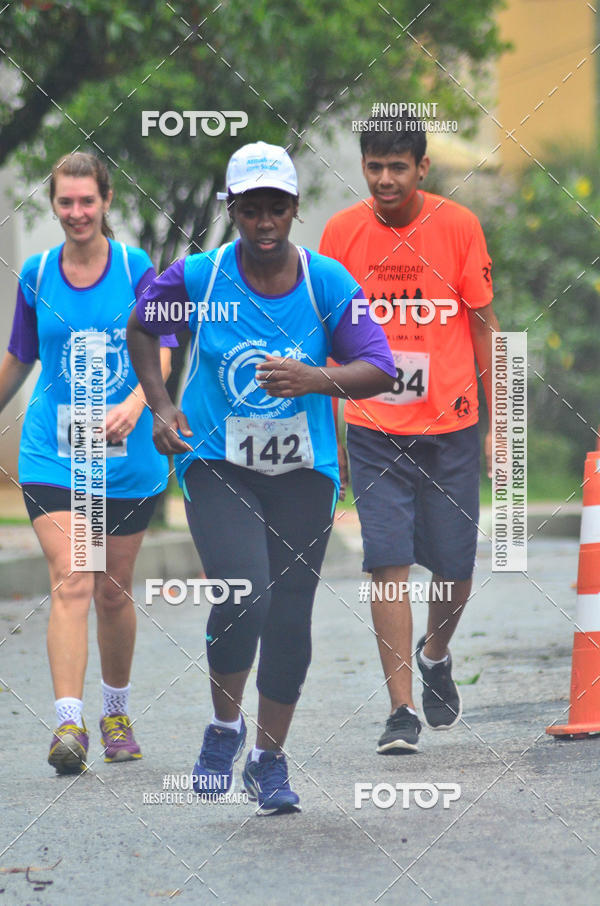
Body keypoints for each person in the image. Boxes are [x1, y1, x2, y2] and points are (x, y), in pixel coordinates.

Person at [127, 141, 395, 814]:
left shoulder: (326, 283)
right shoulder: (200, 277)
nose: (265, 223)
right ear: (233, 210)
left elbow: (380, 368)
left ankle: (268, 758)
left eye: (277, 208)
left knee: (291, 618)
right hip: (216, 459)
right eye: (251, 210)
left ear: (295, 210)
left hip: (304, 470)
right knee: (244, 592)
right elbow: (139, 325)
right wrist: (160, 405)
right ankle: (224, 727)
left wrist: (316, 377)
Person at [320, 114, 500, 754]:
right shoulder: (342, 233)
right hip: (373, 427)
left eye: (399, 166)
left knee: (454, 567)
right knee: (386, 563)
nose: (386, 178)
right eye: (375, 166)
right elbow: (328, 334)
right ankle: (400, 709)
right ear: (364, 167)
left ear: (423, 168)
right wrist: (330, 428)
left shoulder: (458, 228)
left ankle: (436, 650)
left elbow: (483, 326)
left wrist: (498, 422)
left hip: (452, 424)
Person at [0, 152, 175, 774]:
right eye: (65, 202)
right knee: (75, 576)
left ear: (106, 201)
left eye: (87, 201)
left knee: (111, 589)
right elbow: (20, 358)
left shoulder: (136, 270)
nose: (76, 213)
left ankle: (116, 710)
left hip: (126, 458)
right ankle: (69, 724)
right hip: (53, 453)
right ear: (53, 204)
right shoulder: (38, 272)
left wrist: (137, 403)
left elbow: (167, 352)